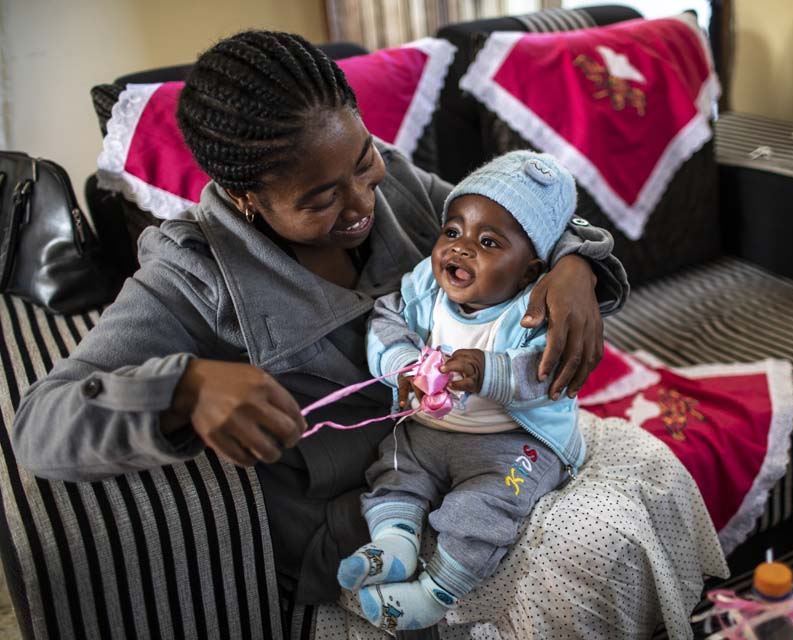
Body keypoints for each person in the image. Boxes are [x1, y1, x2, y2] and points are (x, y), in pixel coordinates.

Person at [11, 31, 627, 605]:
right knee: (586, 566)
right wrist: (184, 387)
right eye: (320, 199)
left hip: (483, 458)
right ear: (248, 198)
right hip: (368, 520)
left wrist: (574, 262)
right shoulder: (194, 274)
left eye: (362, 163)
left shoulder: (397, 183)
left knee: (628, 525)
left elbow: (511, 218)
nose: (363, 202)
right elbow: (41, 424)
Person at [337, 151, 586, 631]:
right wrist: (403, 367)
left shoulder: (533, 310)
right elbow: (387, 320)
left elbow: (549, 372)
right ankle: (395, 543)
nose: (460, 248)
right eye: (453, 232)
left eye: (488, 242)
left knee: (486, 508)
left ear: (531, 270)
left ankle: (434, 593)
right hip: (431, 432)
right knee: (394, 468)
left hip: (514, 445)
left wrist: (488, 370)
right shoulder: (427, 287)